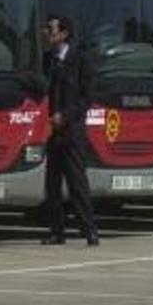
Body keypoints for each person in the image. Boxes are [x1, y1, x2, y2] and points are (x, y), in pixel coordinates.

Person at [42, 14, 99, 246]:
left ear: (64, 34)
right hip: (51, 134)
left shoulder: (81, 61)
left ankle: (90, 231)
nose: (47, 32)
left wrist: (65, 116)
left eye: (51, 28)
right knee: (52, 185)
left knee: (77, 183)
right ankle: (57, 232)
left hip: (72, 132)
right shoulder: (47, 61)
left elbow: (88, 98)